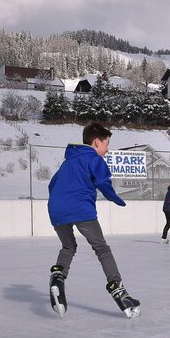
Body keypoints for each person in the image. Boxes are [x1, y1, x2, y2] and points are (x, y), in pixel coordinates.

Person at [46, 122, 141, 318]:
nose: (107, 150)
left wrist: (59, 204)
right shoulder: (93, 159)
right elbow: (103, 182)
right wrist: (116, 199)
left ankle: (58, 278)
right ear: (97, 142)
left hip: (56, 209)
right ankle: (118, 290)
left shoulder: (67, 162)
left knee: (68, 246)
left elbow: (52, 184)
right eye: (106, 144)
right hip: (80, 209)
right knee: (102, 248)